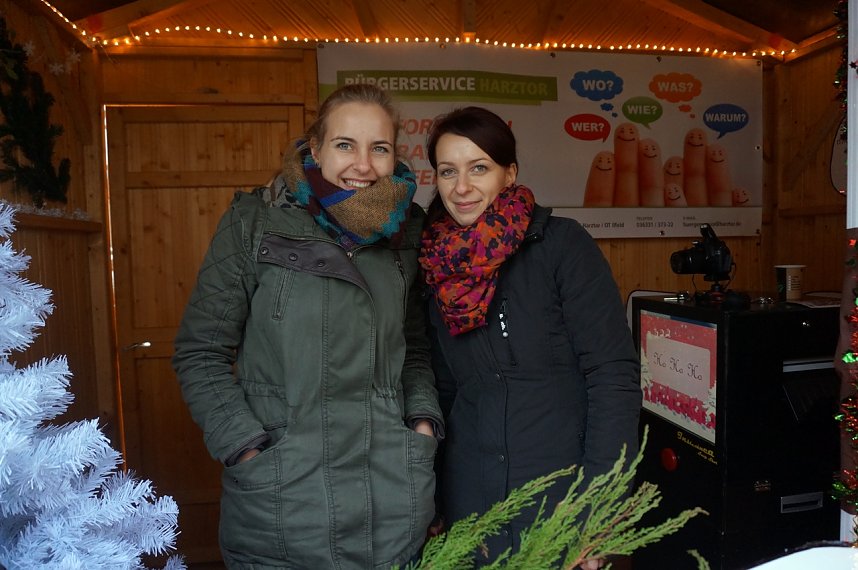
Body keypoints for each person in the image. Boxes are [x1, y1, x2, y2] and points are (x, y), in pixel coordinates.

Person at [172, 83, 443, 569]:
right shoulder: (255, 222)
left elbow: (415, 348)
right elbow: (201, 353)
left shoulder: (407, 231)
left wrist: (420, 425)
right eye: (345, 145)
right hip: (282, 502)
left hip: (392, 497)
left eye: (378, 148)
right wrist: (245, 449)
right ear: (315, 148)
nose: (363, 165)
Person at [419, 106, 642, 568]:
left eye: (479, 168)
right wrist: (435, 501)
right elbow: (446, 389)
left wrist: (597, 508)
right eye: (448, 171)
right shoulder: (435, 265)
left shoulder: (562, 246)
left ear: (509, 173)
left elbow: (612, 376)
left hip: (559, 498)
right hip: (472, 502)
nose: (462, 187)